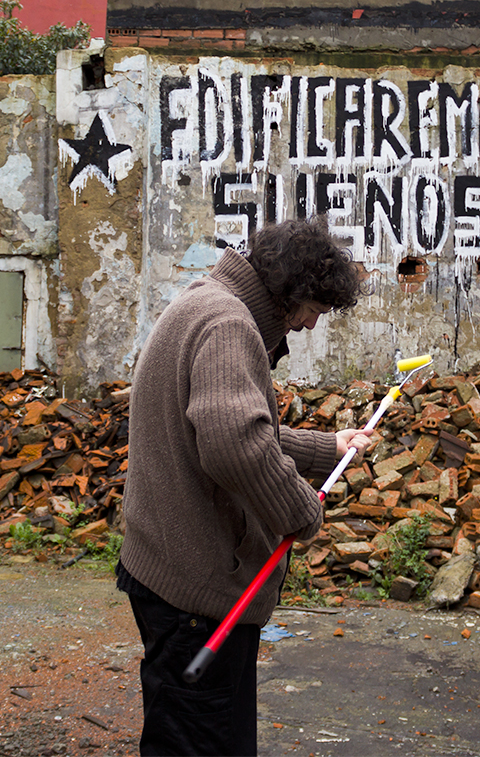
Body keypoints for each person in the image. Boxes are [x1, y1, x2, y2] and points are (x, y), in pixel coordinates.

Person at [116, 218, 369, 756]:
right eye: (314, 312)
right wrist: (302, 512)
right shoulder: (229, 325)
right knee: (201, 744)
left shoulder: (206, 300)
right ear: (292, 294)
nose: (308, 327)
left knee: (182, 733)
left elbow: (231, 422)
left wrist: (330, 446)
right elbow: (235, 444)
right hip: (195, 590)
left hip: (166, 572)